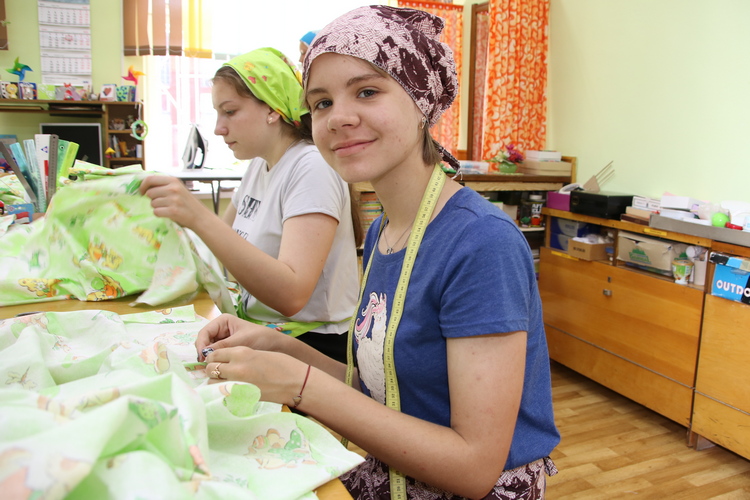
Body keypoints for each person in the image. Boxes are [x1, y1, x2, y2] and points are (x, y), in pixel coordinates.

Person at [197, 6, 560, 499]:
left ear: (421, 101)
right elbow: (386, 388)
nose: (339, 117)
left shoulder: (481, 243)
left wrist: (300, 384)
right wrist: (279, 347)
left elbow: (474, 468)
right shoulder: (388, 227)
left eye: (367, 91)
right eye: (321, 103)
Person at [140, 47, 361, 363]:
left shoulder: (311, 167)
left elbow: (291, 295)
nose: (219, 127)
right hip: (262, 329)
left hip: (314, 346)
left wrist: (196, 216)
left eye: (229, 112)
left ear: (272, 110)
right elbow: (219, 253)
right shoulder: (260, 166)